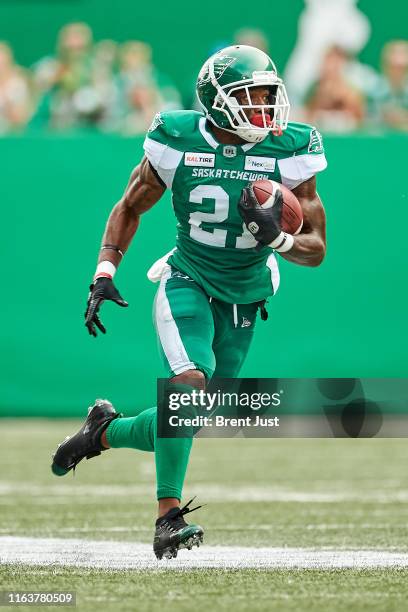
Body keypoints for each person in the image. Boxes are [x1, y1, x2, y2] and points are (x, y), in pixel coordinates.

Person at [51, 45, 327, 560]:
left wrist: (281, 240)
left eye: (271, 96)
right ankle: (168, 517)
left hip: (246, 294)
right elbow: (130, 205)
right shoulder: (176, 138)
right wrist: (104, 271)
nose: (267, 110)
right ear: (218, 102)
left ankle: (102, 432)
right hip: (188, 278)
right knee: (188, 383)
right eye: (254, 97)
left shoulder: (292, 149)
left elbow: (316, 249)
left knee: (186, 414)